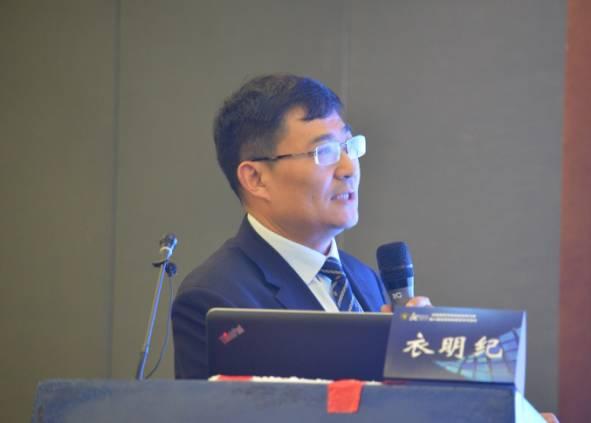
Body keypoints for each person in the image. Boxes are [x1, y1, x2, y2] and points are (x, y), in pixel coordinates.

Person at [171, 74, 429, 379]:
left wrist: (421, 362)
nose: (349, 168)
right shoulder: (215, 298)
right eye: (325, 152)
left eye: (349, 146)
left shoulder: (365, 279)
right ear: (256, 178)